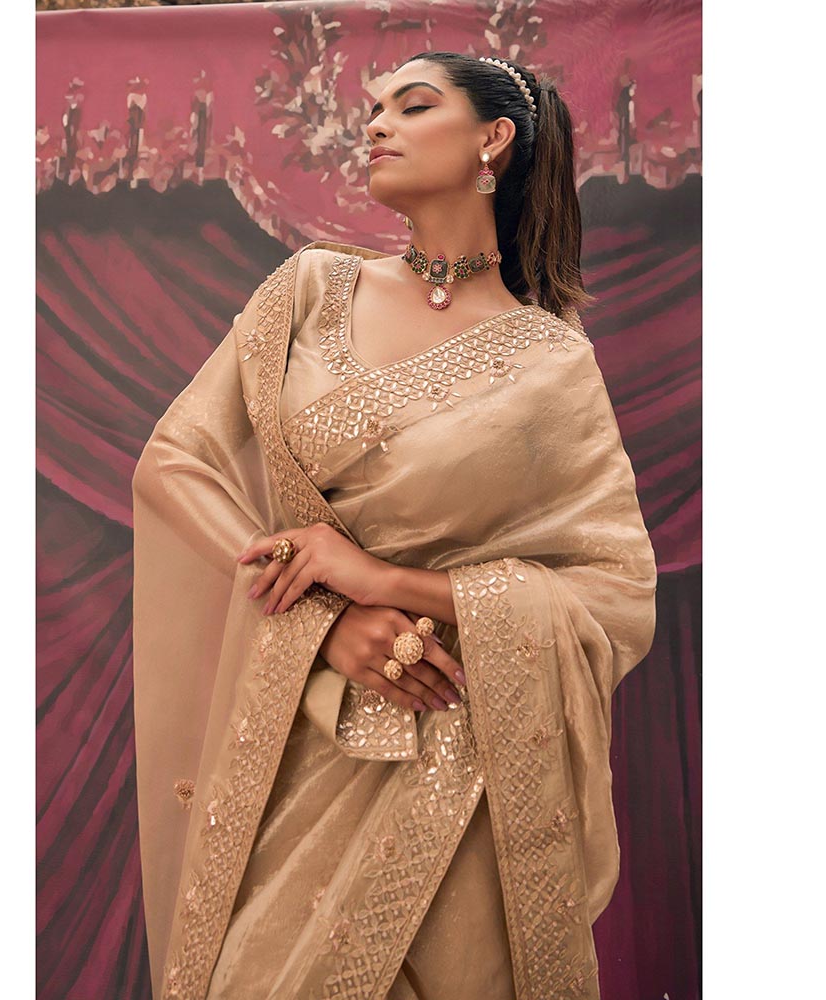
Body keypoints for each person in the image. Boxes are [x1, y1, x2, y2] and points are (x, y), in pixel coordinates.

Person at [131, 51, 657, 1000]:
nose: (375, 124)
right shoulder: (310, 291)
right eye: (372, 107)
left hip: (463, 757)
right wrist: (328, 619)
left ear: (493, 138)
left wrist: (387, 584)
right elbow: (175, 463)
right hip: (302, 738)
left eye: (413, 106)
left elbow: (611, 593)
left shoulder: (551, 363)